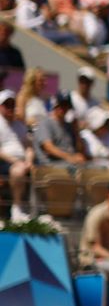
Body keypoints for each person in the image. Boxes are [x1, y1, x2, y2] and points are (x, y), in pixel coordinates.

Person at [0, 90, 33, 220]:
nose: (10, 108)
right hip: (4, 162)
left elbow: (28, 146)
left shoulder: (20, 125)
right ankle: (17, 207)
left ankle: (33, 210)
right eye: (6, 105)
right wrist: (16, 161)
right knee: (18, 171)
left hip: (21, 162)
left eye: (12, 105)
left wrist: (29, 161)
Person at [33, 94, 86, 168]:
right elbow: (48, 147)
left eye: (66, 106)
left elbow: (80, 150)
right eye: (61, 105)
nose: (63, 108)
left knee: (99, 168)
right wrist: (69, 157)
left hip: (68, 164)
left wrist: (76, 131)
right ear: (55, 105)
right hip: (51, 166)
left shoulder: (69, 126)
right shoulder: (45, 123)